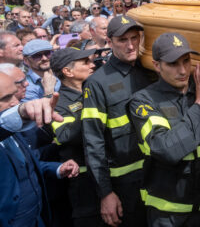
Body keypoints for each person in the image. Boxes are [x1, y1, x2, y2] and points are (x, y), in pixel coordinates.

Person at [129, 33, 200, 226]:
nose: (183, 70)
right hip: (169, 214)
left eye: (186, 61)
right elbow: (167, 149)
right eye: (173, 64)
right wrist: (199, 104)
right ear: (157, 66)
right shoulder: (144, 101)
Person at [82, 15, 156, 227]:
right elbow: (93, 142)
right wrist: (105, 193)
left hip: (159, 176)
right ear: (110, 40)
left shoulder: (150, 72)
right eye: (123, 40)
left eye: (135, 38)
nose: (131, 45)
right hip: (125, 184)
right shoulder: (97, 83)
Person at [0, 73, 80, 227]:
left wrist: (57, 168)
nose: (14, 103)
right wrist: (21, 112)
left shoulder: (14, 132)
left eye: (14, 95)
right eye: (5, 98)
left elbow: (29, 162)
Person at [49, 47, 101, 226]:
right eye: (85, 62)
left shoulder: (93, 90)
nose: (92, 65)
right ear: (67, 71)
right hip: (83, 183)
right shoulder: (58, 103)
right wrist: (92, 107)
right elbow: (65, 135)